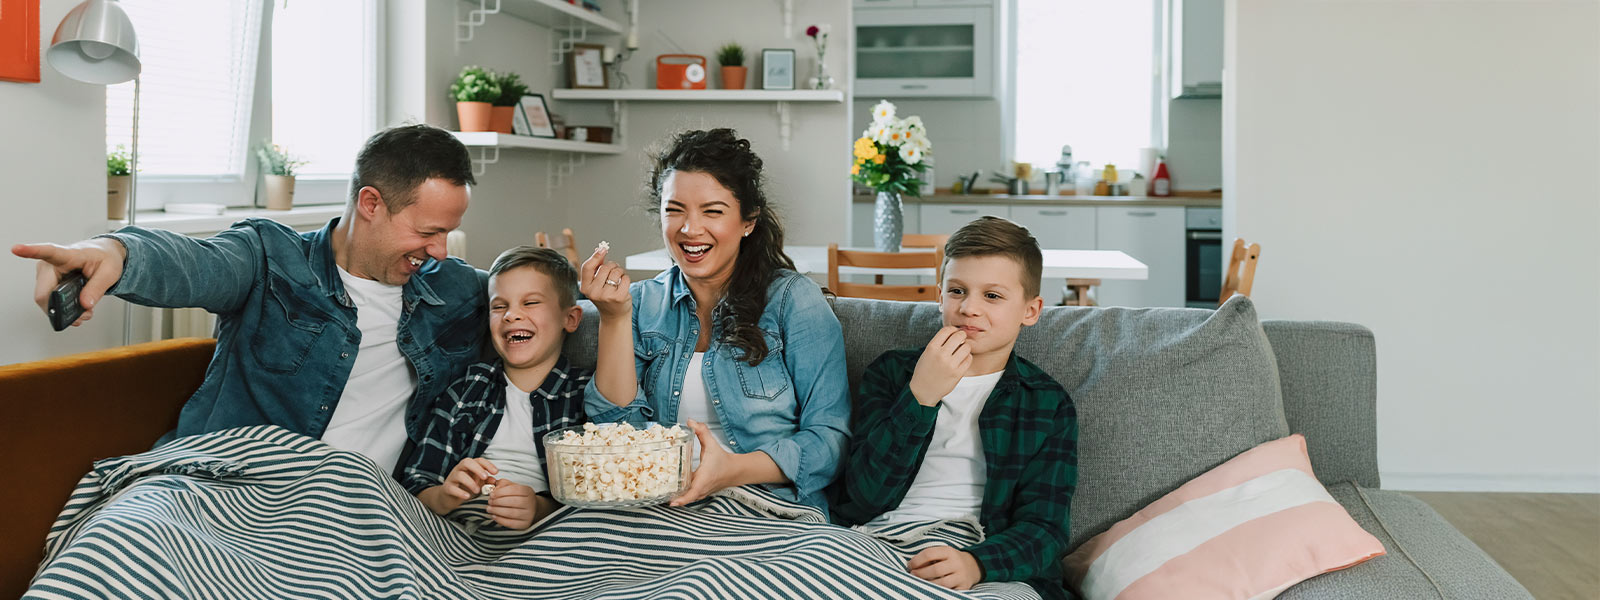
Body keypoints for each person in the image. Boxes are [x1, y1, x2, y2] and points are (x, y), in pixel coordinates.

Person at [10, 124, 486, 475]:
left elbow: (528, 296)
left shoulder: (459, 291)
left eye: (449, 232)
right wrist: (111, 251)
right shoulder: (270, 258)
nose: (440, 250)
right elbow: (194, 262)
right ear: (370, 203)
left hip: (353, 512)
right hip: (224, 482)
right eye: (428, 231)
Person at [584, 128, 849, 515]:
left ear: (748, 221)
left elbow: (830, 441)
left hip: (767, 507)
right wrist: (614, 318)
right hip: (660, 507)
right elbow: (616, 432)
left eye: (712, 211)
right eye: (675, 210)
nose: (690, 229)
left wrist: (730, 471)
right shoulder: (639, 303)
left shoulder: (794, 301)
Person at [830, 216, 1079, 599]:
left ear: (1030, 311)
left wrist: (976, 564)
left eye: (992, 296)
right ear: (940, 296)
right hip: (879, 540)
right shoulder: (891, 373)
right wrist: (920, 396)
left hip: (981, 554)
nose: (969, 308)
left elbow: (1045, 528)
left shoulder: (1047, 403)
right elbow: (864, 495)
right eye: (958, 291)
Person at [401, 246, 590, 530]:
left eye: (530, 302)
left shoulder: (585, 394)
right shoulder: (465, 390)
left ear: (570, 318)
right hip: (459, 531)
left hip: (549, 533)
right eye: (499, 306)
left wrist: (539, 509)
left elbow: (596, 492)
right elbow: (416, 484)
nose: (511, 315)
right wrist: (445, 496)